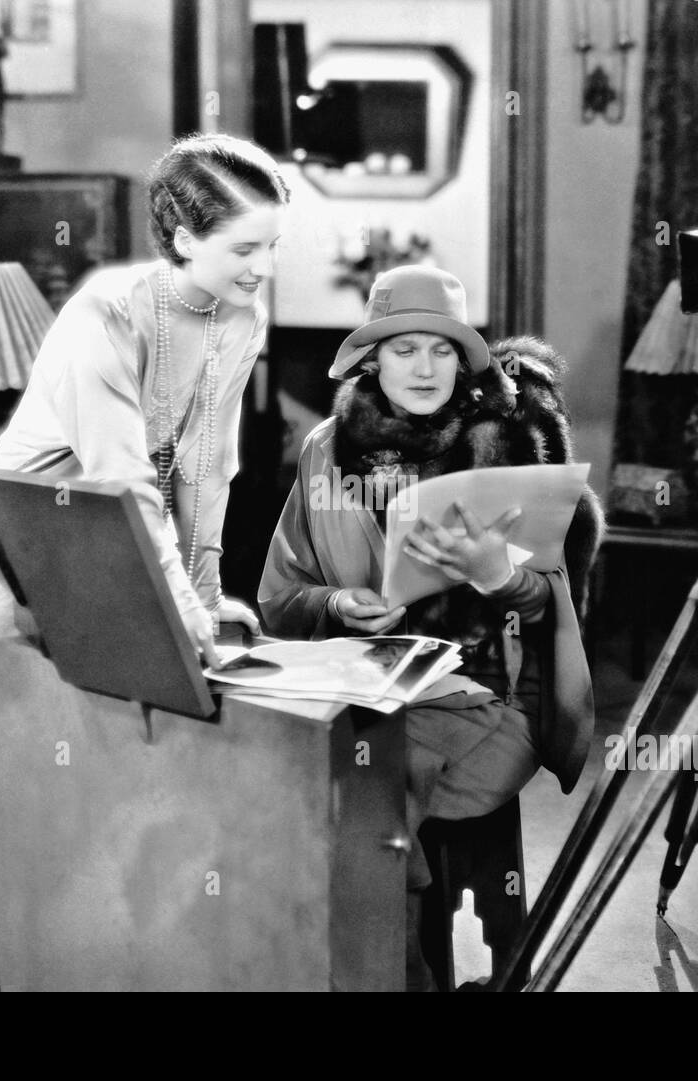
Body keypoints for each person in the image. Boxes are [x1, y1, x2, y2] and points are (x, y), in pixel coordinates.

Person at [0, 133, 290, 991]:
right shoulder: (102, 313)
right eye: (245, 247)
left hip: (119, 561)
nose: (263, 267)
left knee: (102, 782)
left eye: (272, 246)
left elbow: (208, 465)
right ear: (181, 236)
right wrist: (183, 611)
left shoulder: (240, 319)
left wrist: (207, 594)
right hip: (27, 551)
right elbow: (125, 479)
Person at [258, 264, 604, 990]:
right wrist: (335, 606)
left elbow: (548, 603)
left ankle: (389, 973)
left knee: (367, 784)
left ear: (463, 357)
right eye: (403, 348)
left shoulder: (503, 443)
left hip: (490, 698)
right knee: (285, 763)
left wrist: (495, 571)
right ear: (370, 359)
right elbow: (282, 595)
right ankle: (382, 961)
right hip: (361, 684)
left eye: (442, 348)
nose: (424, 367)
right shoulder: (328, 449)